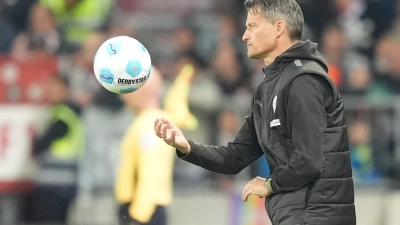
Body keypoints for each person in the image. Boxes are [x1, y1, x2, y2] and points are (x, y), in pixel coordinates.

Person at [154, 0, 356, 224]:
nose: (244, 36)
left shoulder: (304, 81)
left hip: (316, 217)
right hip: (297, 215)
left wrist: (269, 185)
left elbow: (309, 161)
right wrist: (187, 147)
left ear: (279, 28)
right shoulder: (268, 88)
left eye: (252, 26)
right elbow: (235, 157)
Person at [115, 65, 197, 225]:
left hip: (143, 211)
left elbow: (151, 173)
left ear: (144, 90)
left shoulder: (149, 125)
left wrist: (138, 217)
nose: (123, 96)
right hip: (143, 209)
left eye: (128, 89)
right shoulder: (149, 121)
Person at [28, 74, 84, 224]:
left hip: (57, 183)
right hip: (62, 182)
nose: (51, 92)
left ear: (65, 90)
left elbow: (41, 144)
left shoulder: (63, 115)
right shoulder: (63, 112)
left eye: (56, 88)